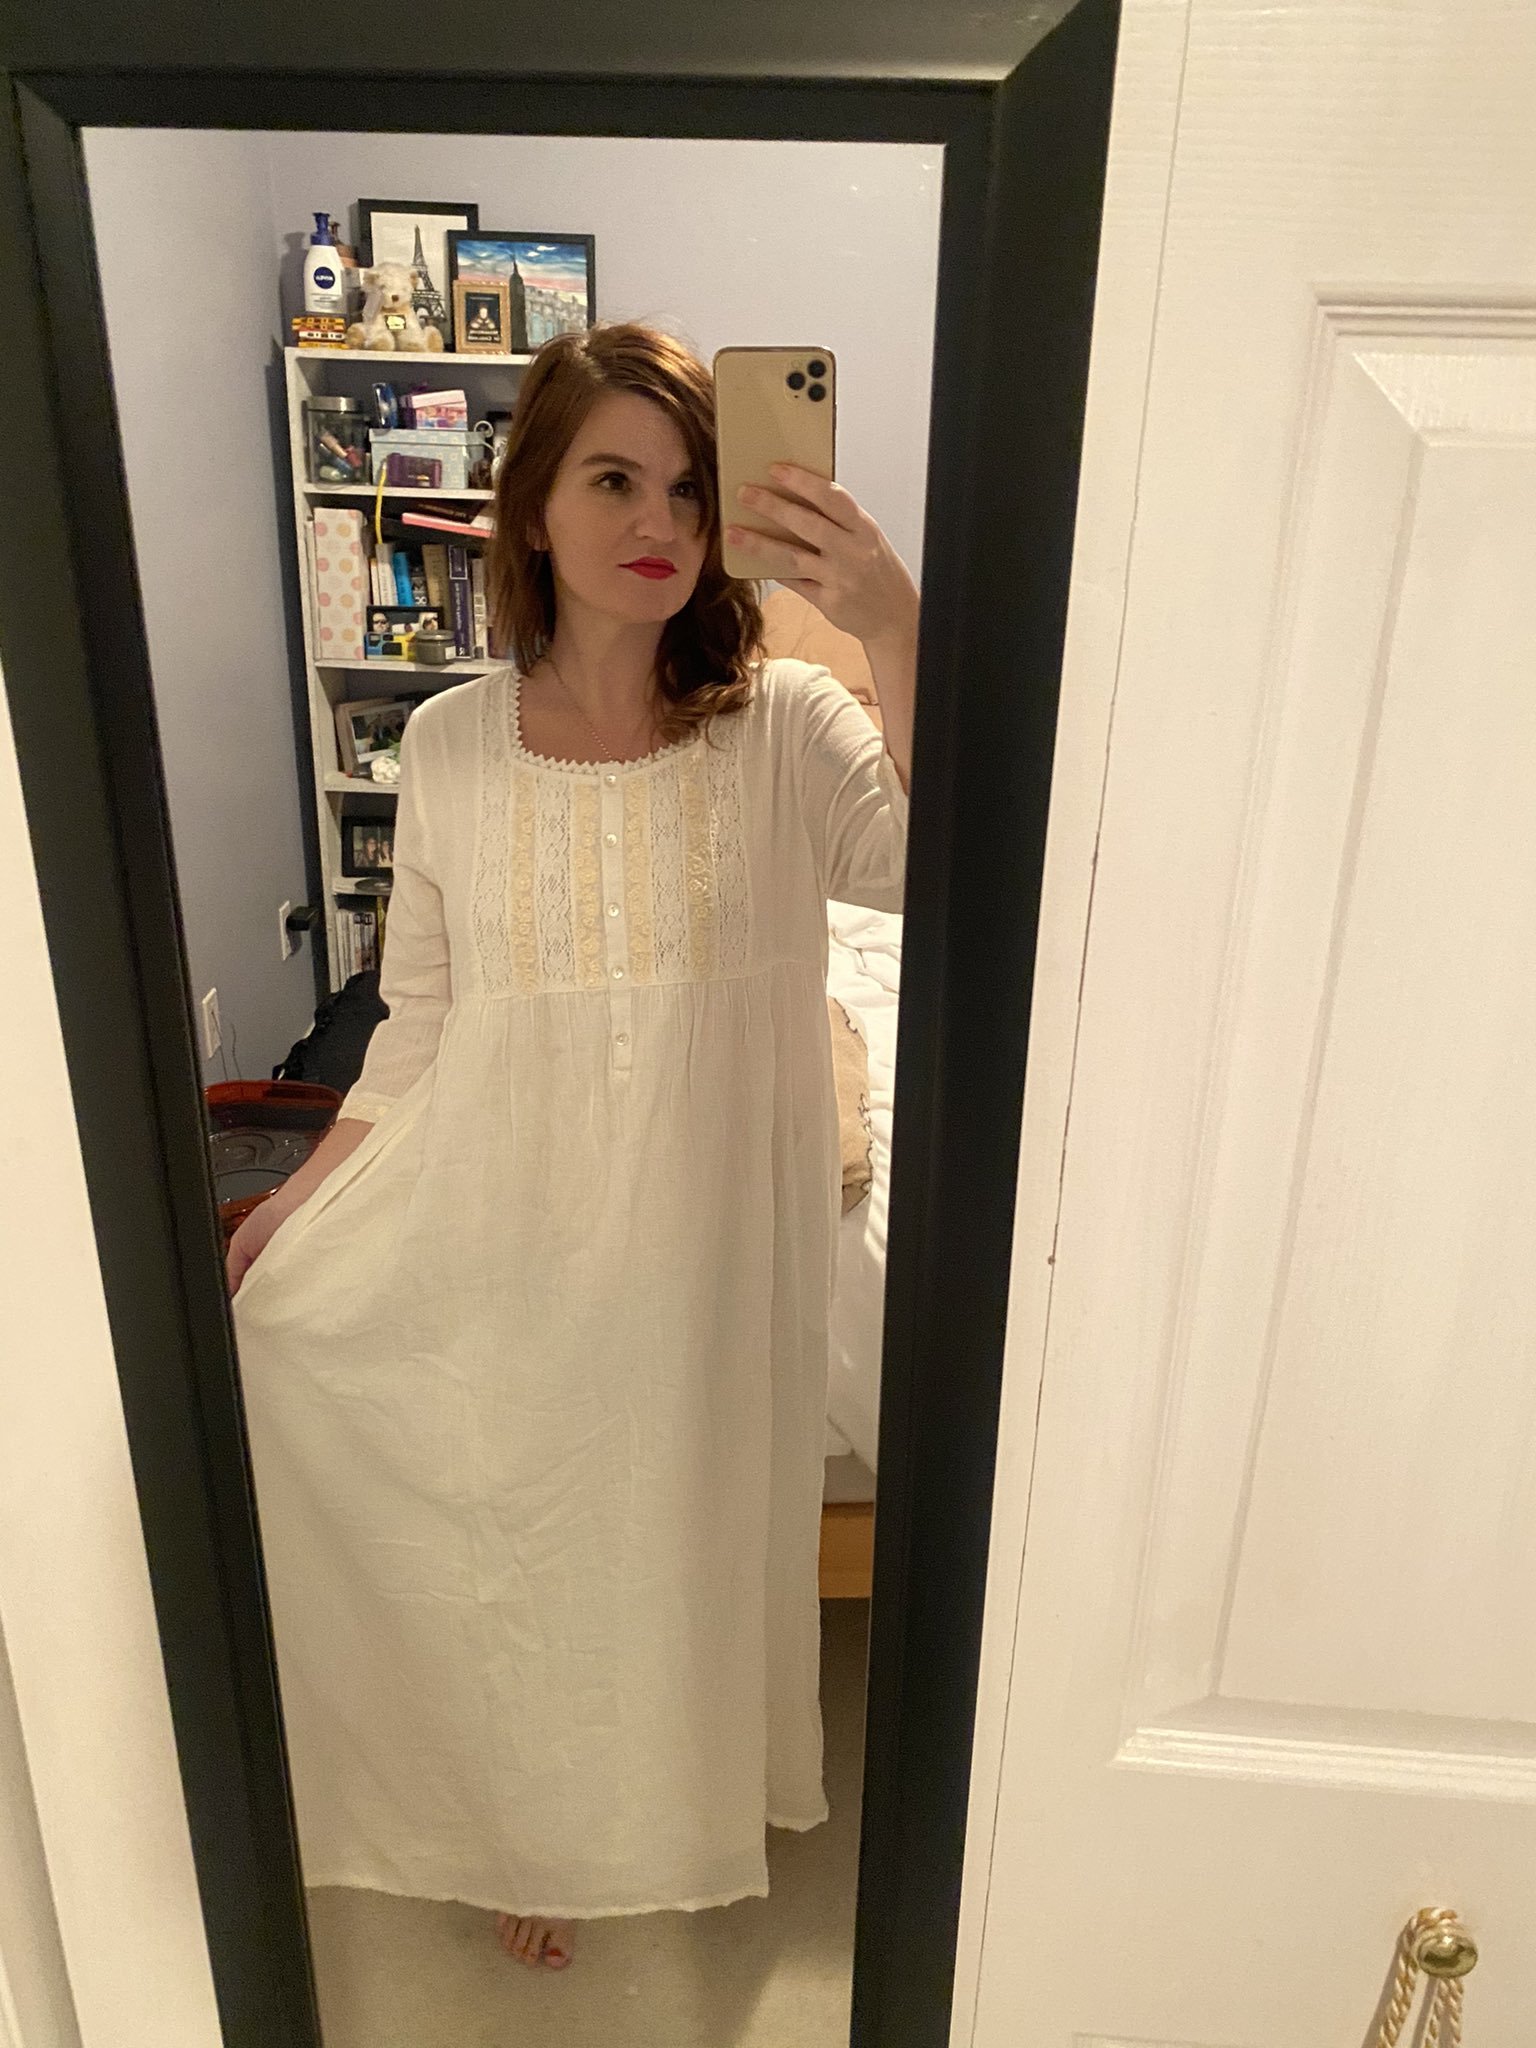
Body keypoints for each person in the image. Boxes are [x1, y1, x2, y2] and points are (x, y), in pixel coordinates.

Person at [227, 321, 918, 1974]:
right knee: (506, 1517)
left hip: (709, 1225)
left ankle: (652, 1809)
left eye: (688, 486)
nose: (657, 520)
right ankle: (525, 1826)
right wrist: (305, 1194)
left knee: (667, 1523)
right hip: (509, 1202)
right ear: (532, 505)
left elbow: (932, 868)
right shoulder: (449, 743)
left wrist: (893, 621)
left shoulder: (790, 722)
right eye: (613, 479)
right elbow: (419, 1019)